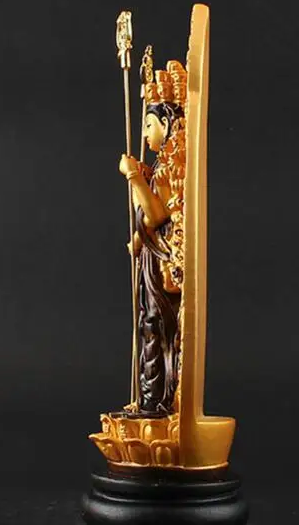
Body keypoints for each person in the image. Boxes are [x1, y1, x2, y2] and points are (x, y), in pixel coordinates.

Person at [119, 62, 187, 417]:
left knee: (154, 328)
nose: (145, 133)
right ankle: (150, 400)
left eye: (149, 124)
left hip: (163, 265)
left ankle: (155, 402)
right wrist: (137, 239)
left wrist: (134, 179)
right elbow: (149, 222)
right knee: (148, 324)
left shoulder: (170, 169)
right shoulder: (160, 168)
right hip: (152, 259)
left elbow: (157, 215)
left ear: (167, 123)